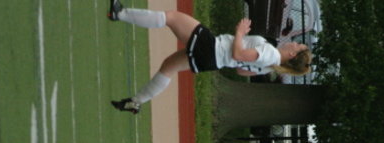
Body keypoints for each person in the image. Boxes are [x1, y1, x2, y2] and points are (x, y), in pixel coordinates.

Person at [108, 1, 313, 114]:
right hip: (213, 60)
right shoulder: (271, 65)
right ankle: (135, 102)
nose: (293, 43)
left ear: (292, 54)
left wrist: (240, 32)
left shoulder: (271, 54)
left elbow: (238, 55)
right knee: (168, 67)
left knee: (172, 17)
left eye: (297, 45)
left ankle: (120, 13)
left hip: (212, 49)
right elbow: (241, 70)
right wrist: (239, 50)